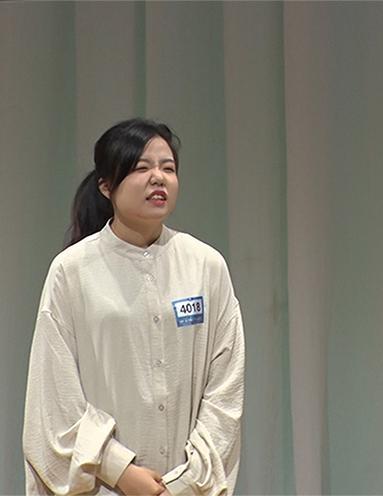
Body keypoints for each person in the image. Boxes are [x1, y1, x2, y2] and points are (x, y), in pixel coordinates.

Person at [23, 118, 245, 495]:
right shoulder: (72, 271)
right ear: (106, 185)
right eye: (142, 168)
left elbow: (226, 388)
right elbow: (53, 396)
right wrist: (119, 470)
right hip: (103, 485)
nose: (158, 178)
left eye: (168, 168)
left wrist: (183, 483)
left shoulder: (206, 266)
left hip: (189, 487)